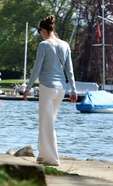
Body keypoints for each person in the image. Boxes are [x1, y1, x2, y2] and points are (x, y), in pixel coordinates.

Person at [22, 14, 78, 166]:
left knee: (46, 123)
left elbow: (36, 69)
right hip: (61, 89)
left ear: (44, 30)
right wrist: (73, 90)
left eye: (39, 31)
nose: (40, 34)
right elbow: (70, 70)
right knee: (48, 121)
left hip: (47, 87)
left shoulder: (44, 45)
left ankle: (52, 159)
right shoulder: (65, 45)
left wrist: (27, 88)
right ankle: (42, 154)